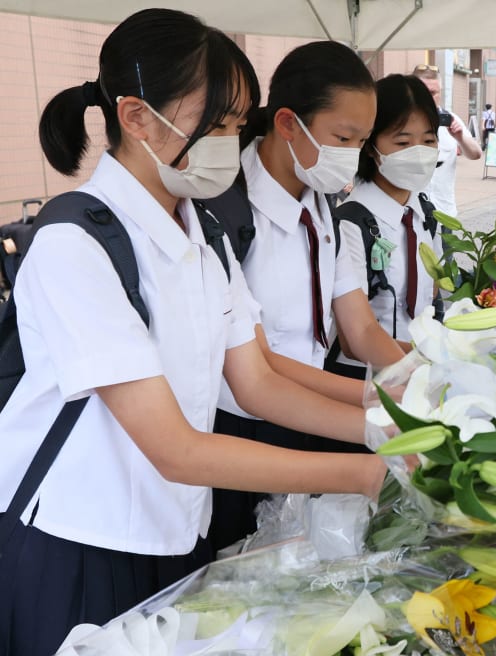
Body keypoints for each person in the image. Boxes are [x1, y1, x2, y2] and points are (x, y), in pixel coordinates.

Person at [0, 10, 388, 653]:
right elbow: (174, 449)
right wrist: (370, 473)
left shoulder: (203, 234)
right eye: (214, 126)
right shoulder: (75, 243)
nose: (229, 145)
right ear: (135, 117)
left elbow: (257, 380)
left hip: (178, 534)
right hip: (80, 546)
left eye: (238, 126)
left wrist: (387, 425)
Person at [208, 41, 409, 553]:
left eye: (361, 141)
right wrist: (376, 411)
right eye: (342, 137)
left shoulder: (322, 206)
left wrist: (416, 379)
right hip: (244, 431)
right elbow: (260, 367)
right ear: (287, 123)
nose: (352, 156)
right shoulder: (227, 212)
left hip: (316, 413)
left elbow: (359, 326)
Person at [337, 74, 442, 347]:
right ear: (370, 146)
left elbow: (433, 293)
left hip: (420, 366)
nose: (418, 153)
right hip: (365, 376)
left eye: (429, 141)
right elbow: (353, 337)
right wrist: (430, 359)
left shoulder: (426, 215)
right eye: (403, 143)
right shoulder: (350, 223)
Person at [412, 63, 482, 218]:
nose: (428, 98)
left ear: (440, 92)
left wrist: (460, 137)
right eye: (423, 92)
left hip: (443, 212)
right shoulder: (398, 122)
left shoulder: (451, 120)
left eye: (433, 92)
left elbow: (476, 154)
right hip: (410, 214)